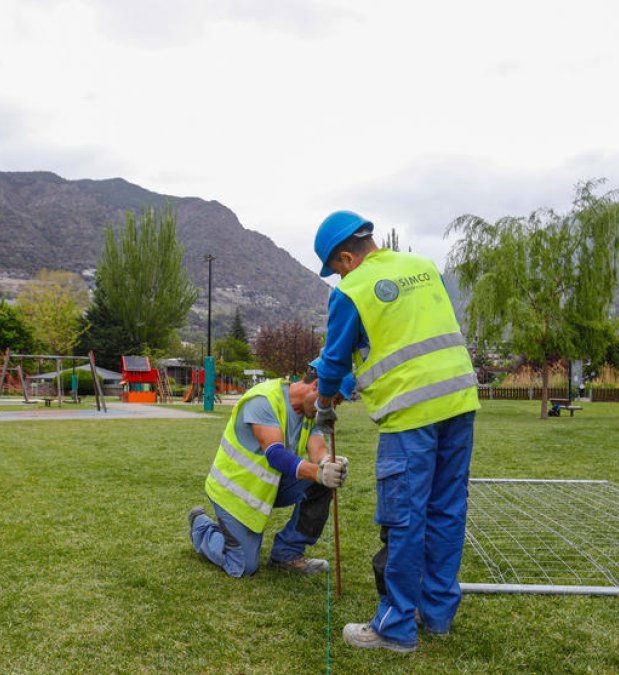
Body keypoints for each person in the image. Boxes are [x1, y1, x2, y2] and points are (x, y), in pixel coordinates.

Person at [312, 210, 480, 653]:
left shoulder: (351, 290)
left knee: (404, 518)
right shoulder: (424, 267)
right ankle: (437, 615)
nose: (338, 276)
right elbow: (403, 338)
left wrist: (325, 405)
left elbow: (333, 363)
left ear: (347, 258)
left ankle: (395, 627)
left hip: (410, 415)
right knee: (446, 511)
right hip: (460, 401)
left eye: (336, 269)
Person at [188, 371, 351, 578]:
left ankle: (286, 555)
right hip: (233, 493)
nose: (332, 408)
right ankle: (201, 527)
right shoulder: (263, 400)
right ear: (316, 385)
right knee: (244, 567)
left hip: (268, 487)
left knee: (323, 484)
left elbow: (318, 453)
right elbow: (275, 454)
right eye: (333, 400)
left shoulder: (312, 412)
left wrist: (329, 463)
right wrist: (319, 473)